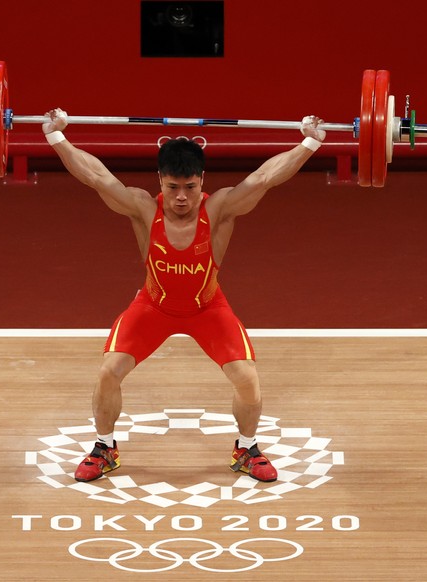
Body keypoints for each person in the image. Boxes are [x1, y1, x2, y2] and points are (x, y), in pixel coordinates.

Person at [42, 110, 326, 483]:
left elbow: (265, 178)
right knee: (109, 371)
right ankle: (104, 448)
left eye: (189, 188)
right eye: (172, 187)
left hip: (207, 309)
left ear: (202, 181)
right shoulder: (144, 209)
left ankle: (247, 448)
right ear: (160, 181)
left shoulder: (220, 208)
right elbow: (96, 176)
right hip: (152, 307)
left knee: (247, 379)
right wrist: (55, 137)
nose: (180, 197)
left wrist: (310, 141)